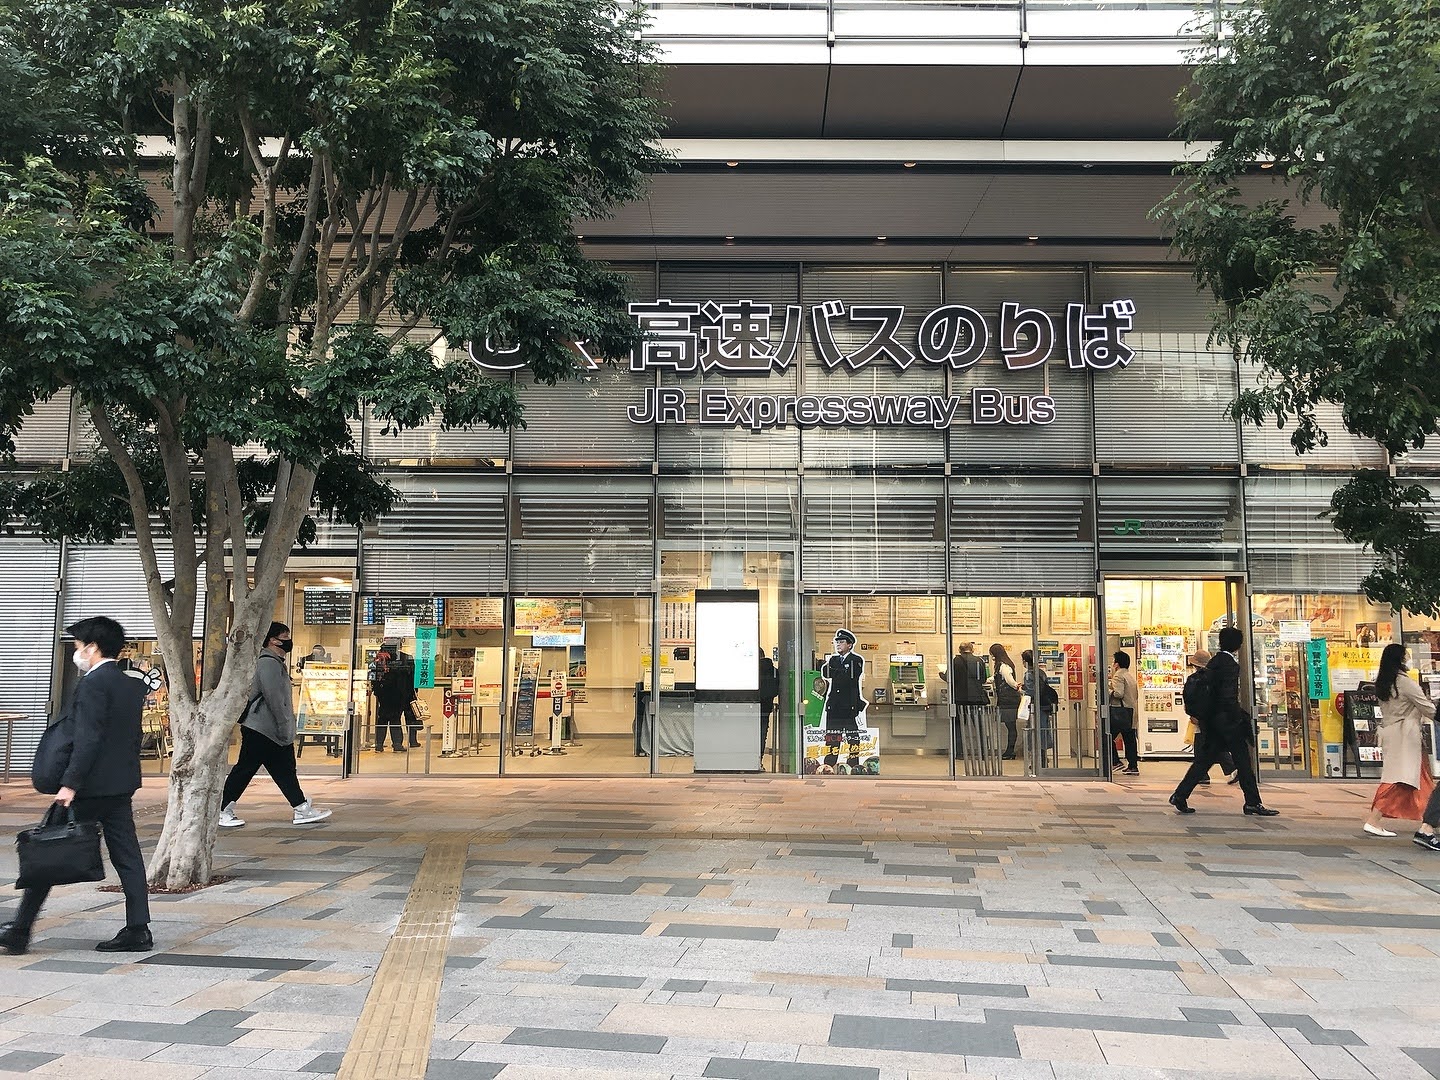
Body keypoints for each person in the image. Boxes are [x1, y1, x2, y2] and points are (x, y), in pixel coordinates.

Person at [1, 617, 153, 955]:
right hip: (120, 785)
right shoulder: (130, 685)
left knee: (46, 850)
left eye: (78, 646)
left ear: (93, 648)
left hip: (88, 788)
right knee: (128, 856)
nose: (76, 652)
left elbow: (88, 739)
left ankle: (20, 929)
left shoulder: (92, 685)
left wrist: (70, 784)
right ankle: (138, 928)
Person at [218, 622, 333, 828]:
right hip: (262, 728)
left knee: (283, 770)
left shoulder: (273, 662)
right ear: (273, 640)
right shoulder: (268, 663)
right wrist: (283, 725)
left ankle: (301, 807)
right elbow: (275, 699)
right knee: (248, 769)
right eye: (285, 636)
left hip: (267, 728)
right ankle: (222, 808)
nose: (288, 640)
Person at [1169, 625, 1278, 816]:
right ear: (1238, 645)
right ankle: (1252, 802)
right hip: (1228, 724)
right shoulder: (1230, 665)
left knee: (1203, 762)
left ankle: (1180, 795)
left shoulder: (1213, 663)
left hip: (1212, 723)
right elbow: (1228, 697)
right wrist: (1238, 719)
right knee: (1243, 762)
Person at [1363, 643, 1436, 838]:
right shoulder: (1404, 682)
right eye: (1406, 656)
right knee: (1399, 780)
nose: (1408, 659)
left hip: (1391, 733)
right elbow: (1425, 706)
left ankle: (1430, 819)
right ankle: (1374, 820)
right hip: (1405, 735)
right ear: (1400, 659)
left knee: (1419, 779)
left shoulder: (1384, 681)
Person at [1182, 650, 1235, 787]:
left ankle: (1230, 768)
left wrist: (1192, 714)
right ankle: (1208, 774)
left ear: (1196, 665)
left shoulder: (1195, 679)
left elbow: (1190, 697)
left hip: (1201, 718)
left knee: (1205, 746)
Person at [369, 642, 416, 752]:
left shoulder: (377, 658)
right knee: (395, 718)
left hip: (383, 694)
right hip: (398, 693)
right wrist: (412, 692)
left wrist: (377, 690)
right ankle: (397, 744)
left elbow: (372, 676)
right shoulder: (405, 658)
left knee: (382, 719)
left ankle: (379, 744)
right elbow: (410, 678)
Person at [822, 629, 865, 733]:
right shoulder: (833, 659)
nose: (838, 644)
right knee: (832, 736)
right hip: (834, 704)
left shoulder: (855, 659)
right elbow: (825, 673)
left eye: (841, 642)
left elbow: (848, 677)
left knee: (851, 736)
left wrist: (836, 671)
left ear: (849, 645)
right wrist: (841, 671)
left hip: (848, 704)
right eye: (837, 642)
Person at [1021, 649, 1057, 769]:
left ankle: (1038, 762)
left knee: (1035, 733)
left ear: (1025, 661)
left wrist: (1022, 690)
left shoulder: (1028, 674)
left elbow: (1031, 692)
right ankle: (1043, 760)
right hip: (1045, 706)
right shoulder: (1041, 672)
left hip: (1035, 708)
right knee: (1043, 732)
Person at [1108, 650, 1140, 775]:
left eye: (1113, 661)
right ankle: (1133, 766)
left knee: (1107, 736)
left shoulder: (1118, 676)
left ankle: (1115, 761)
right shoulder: (1129, 675)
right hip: (1131, 711)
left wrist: (1108, 690)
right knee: (1130, 739)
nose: (1112, 663)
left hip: (1120, 712)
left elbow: (1118, 694)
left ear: (1117, 664)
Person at [989, 643, 1022, 760]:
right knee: (1011, 726)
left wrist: (1016, 686)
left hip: (1009, 700)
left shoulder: (1003, 666)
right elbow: (998, 677)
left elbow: (1009, 680)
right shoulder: (1003, 665)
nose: (992, 657)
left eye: (992, 654)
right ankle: (1009, 751)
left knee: (1011, 726)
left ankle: (1010, 751)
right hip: (1008, 699)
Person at [758, 651, 780, 763]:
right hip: (766, 707)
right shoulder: (774, 671)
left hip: (749, 707)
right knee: (762, 735)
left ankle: (747, 761)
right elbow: (776, 690)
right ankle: (759, 760)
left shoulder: (752, 670)